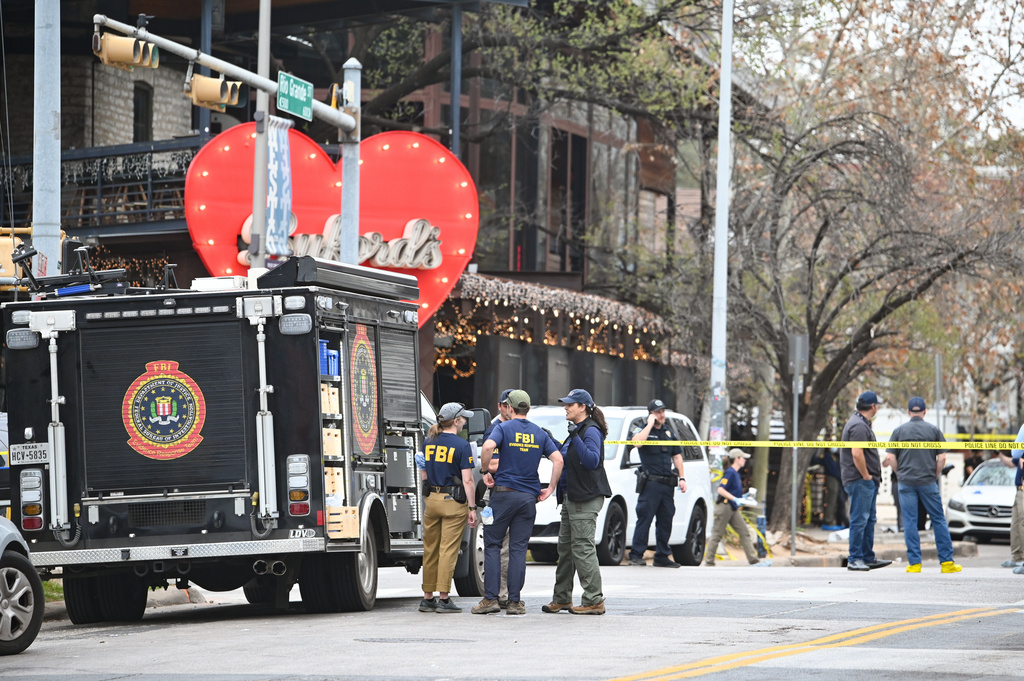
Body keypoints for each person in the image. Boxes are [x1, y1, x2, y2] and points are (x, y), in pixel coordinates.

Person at [473, 389, 563, 615]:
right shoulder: (539, 433)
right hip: (527, 498)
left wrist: (485, 471)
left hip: (503, 495)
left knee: (493, 545)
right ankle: (514, 602)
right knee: (518, 549)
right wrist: (550, 487)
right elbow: (558, 459)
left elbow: (486, 447)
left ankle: (491, 599)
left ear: (510, 409)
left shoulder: (503, 428)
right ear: (529, 408)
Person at [542, 389, 612, 615]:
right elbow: (566, 455)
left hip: (585, 498)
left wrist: (575, 437)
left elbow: (591, 460)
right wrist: (550, 440)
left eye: (570, 404)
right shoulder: (580, 430)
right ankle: (562, 598)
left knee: (582, 549)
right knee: (566, 550)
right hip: (572, 498)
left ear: (582, 407)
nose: (566, 407)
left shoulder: (590, 430)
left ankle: (594, 600)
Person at [884, 397, 962, 573]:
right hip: (928, 482)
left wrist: (900, 474)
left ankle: (914, 564)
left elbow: (890, 458)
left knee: (910, 521)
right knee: (938, 520)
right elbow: (942, 458)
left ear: (909, 412)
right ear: (925, 412)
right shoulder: (934, 430)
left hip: (906, 482)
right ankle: (947, 563)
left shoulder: (899, 431)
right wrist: (934, 474)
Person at [418, 402, 478, 613]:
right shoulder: (461, 446)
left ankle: (427, 597)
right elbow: (468, 480)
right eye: (463, 419)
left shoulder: (429, 442)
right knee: (448, 549)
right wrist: (472, 508)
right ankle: (444, 598)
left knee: (430, 548)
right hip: (453, 502)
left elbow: (424, 474)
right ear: (455, 421)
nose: (464, 422)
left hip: (432, 500)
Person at [626, 399, 688, 568]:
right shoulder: (643, 429)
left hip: (667, 484)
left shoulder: (668, 433)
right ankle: (636, 555)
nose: (662, 415)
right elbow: (638, 442)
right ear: (651, 414)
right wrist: (649, 424)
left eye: (663, 411)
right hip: (651, 484)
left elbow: (677, 456)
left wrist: (682, 478)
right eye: (658, 412)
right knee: (644, 519)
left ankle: (662, 555)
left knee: (666, 519)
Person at [840, 391, 892, 572]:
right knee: (860, 519)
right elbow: (857, 453)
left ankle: (867, 556)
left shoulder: (860, 423)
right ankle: (855, 558)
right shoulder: (859, 426)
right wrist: (866, 475)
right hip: (860, 480)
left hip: (863, 481)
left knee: (868, 519)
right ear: (873, 407)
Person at [703, 449, 768, 566]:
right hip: (724, 506)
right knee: (717, 534)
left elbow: (732, 492)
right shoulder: (730, 473)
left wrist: (743, 497)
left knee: (744, 532)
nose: (744, 460)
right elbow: (721, 489)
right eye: (742, 458)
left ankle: (753, 560)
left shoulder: (735, 474)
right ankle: (709, 561)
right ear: (736, 459)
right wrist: (735, 499)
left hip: (732, 507)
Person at [481, 388, 514, 608]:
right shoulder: (495, 430)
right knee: (498, 546)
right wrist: (519, 462)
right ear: (500, 406)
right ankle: (500, 594)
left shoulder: (519, 429)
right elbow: (491, 464)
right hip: (496, 493)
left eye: (514, 405)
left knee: (511, 547)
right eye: (506, 405)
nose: (510, 409)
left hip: (514, 492)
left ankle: (505, 594)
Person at [811, 448, 847, 530]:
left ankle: (838, 520)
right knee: (831, 500)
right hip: (833, 479)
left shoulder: (836, 456)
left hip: (838, 480)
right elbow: (816, 460)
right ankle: (829, 521)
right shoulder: (827, 456)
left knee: (839, 501)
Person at [1005, 426, 1024, 573]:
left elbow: (1016, 452)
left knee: (1022, 522)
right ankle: (1017, 557)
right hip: (1019, 486)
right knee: (1016, 523)